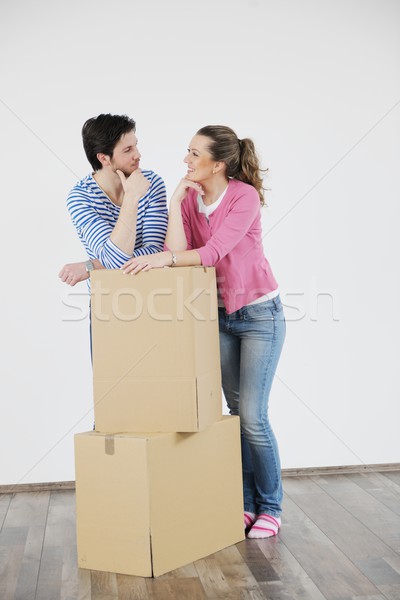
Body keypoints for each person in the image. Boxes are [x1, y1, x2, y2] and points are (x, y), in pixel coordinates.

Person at [121, 125, 286, 539]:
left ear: (219, 164)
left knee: (253, 416)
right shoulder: (192, 199)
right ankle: (246, 505)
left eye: (194, 154)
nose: (186, 161)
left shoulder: (243, 196)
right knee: (234, 414)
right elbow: (178, 251)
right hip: (218, 317)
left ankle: (271, 507)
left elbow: (211, 254)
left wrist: (166, 261)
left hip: (258, 315)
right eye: (187, 152)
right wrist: (177, 204)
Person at [59, 113, 168, 287]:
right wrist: (131, 197)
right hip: (108, 296)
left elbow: (156, 251)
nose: (138, 155)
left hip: (152, 290)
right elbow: (114, 260)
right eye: (127, 150)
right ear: (104, 158)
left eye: (136, 146)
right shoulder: (80, 197)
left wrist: (92, 266)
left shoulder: (151, 183)